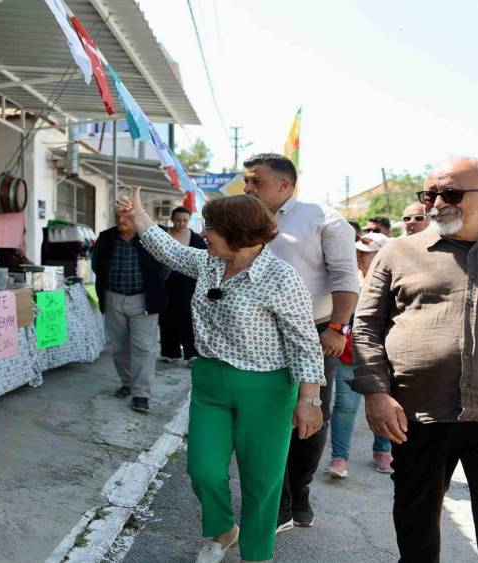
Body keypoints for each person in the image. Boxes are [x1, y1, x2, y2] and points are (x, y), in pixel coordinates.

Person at [117, 189, 324, 563]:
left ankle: (257, 554)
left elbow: (304, 342)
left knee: (262, 482)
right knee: (203, 470)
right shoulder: (210, 262)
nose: (203, 232)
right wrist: (140, 216)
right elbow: (172, 251)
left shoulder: (280, 277)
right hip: (211, 382)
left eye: (211, 226)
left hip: (267, 388)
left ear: (239, 233)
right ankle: (224, 530)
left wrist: (309, 400)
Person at [350, 156, 478, 562]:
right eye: (429, 194)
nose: (436, 203)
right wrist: (376, 393)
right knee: (416, 527)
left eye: (451, 194)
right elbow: (367, 328)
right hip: (418, 413)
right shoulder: (397, 252)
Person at [242, 153, 360, 531]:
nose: (247, 188)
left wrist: (338, 329)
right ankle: (277, 494)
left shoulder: (324, 219)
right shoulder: (247, 219)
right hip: (257, 334)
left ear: (284, 185)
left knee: (309, 416)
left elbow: (346, 277)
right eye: (246, 181)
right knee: (264, 415)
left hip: (315, 332)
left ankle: (299, 493)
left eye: (255, 181)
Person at [324, 230, 393, 479]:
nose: (359, 256)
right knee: (344, 406)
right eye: (358, 252)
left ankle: (383, 451)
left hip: (382, 357)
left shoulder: (395, 280)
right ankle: (339, 458)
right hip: (349, 356)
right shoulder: (348, 279)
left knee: (383, 404)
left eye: (365, 252)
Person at [92, 207, 170, 413]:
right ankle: (127, 383)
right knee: (119, 345)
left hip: (144, 299)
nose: (119, 219)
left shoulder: (153, 234)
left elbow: (166, 266)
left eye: (125, 216)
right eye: (117, 215)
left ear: (136, 216)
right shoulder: (107, 237)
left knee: (144, 347)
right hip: (113, 297)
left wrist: (153, 286)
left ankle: (141, 394)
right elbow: (96, 265)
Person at [158, 207, 206, 365]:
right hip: (166, 282)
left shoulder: (196, 239)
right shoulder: (164, 235)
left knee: (189, 316)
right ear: (172, 219)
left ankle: (191, 353)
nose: (181, 223)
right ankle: (170, 352)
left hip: (189, 283)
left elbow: (204, 259)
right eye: (178, 220)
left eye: (185, 220)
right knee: (167, 316)